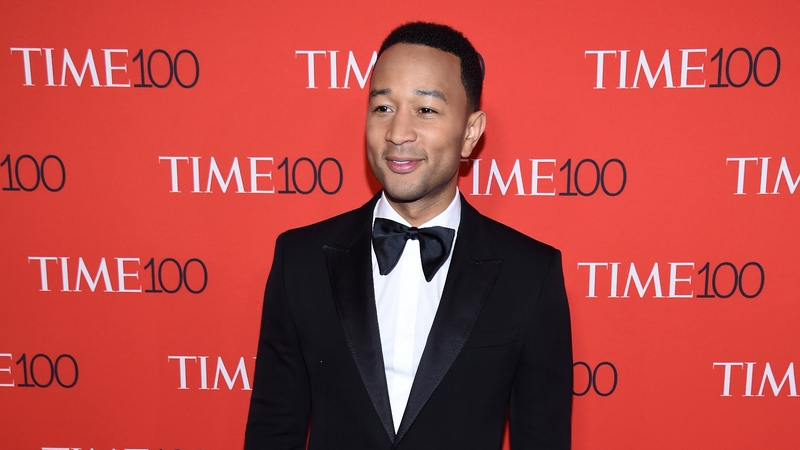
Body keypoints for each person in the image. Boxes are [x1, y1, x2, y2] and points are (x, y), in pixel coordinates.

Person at [245, 21, 572, 450]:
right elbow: (274, 428)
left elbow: (543, 438)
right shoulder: (300, 259)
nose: (398, 133)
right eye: (383, 108)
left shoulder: (530, 273)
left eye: (426, 110)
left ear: (470, 133)